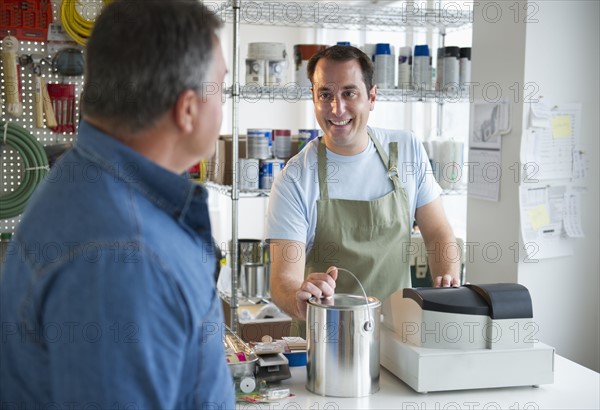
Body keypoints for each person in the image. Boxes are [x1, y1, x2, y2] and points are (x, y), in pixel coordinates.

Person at [0, 1, 234, 408]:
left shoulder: (92, 186)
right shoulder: (124, 256)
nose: (224, 103)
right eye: (221, 88)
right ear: (188, 109)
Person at [266, 45, 461, 325]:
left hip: (399, 331)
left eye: (349, 93)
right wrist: (299, 296)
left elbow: (438, 231)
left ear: (371, 97)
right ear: (313, 98)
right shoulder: (295, 178)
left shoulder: (406, 150)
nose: (337, 108)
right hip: (329, 341)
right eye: (325, 95)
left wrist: (448, 281)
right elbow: (283, 280)